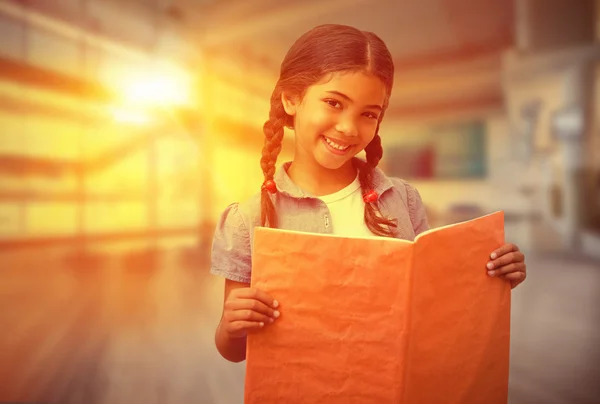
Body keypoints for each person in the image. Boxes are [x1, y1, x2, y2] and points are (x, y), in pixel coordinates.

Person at [209, 24, 527, 363]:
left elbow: (432, 305)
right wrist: (231, 326)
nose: (348, 128)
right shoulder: (247, 220)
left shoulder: (401, 199)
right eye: (333, 103)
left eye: (368, 114)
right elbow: (235, 351)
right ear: (291, 98)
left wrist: (492, 280)